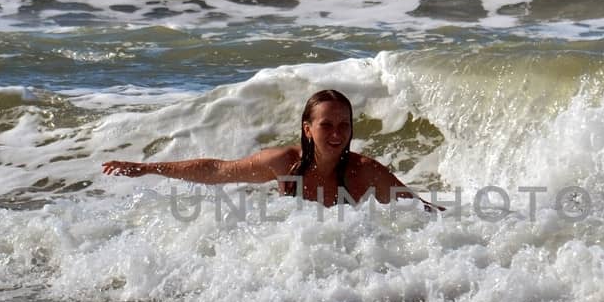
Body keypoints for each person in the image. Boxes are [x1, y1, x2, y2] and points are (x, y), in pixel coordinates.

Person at [102, 89, 435, 208]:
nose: (336, 133)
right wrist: (148, 168)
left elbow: (420, 210)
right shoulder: (284, 163)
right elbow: (218, 171)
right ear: (307, 129)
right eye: (326, 125)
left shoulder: (365, 171)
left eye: (344, 125)